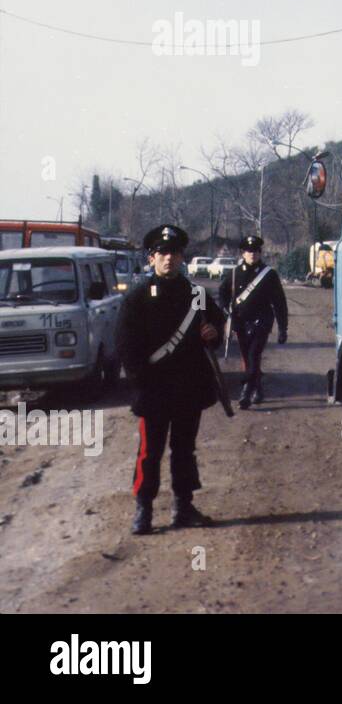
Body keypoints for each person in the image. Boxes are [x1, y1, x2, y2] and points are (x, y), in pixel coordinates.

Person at [116, 224, 227, 535]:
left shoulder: (197, 295)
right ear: (152, 258)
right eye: (162, 253)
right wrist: (140, 383)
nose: (168, 258)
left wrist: (213, 333)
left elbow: (217, 323)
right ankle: (144, 510)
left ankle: (184, 506)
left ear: (182, 258)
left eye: (174, 253)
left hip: (188, 388)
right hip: (153, 390)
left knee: (184, 449)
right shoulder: (137, 298)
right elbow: (125, 345)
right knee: (149, 452)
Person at [218, 235, 288, 409]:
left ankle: (246, 392)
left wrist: (282, 328)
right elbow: (223, 293)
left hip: (262, 322)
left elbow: (279, 302)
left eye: (256, 251)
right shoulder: (234, 273)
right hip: (241, 323)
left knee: (253, 355)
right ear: (243, 253)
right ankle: (258, 388)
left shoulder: (269, 274)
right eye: (249, 251)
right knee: (248, 359)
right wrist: (227, 310)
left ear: (260, 253)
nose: (252, 254)